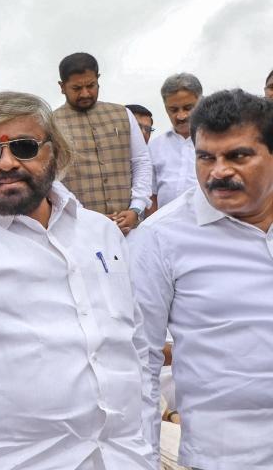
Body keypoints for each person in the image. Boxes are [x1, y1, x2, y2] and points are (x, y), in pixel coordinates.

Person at [0, 92, 153, 470]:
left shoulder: (101, 233)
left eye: (24, 147)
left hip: (124, 456)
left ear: (55, 152)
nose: (6, 163)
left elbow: (135, 346)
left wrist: (147, 450)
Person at [130, 89, 273, 468]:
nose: (219, 171)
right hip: (226, 458)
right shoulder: (160, 238)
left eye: (238, 156)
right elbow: (139, 363)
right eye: (205, 157)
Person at [53, 52, 152, 232]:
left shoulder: (123, 114)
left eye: (91, 85)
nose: (85, 93)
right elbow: (50, 179)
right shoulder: (50, 124)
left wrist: (136, 209)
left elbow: (141, 161)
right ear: (62, 87)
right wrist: (85, 216)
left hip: (130, 226)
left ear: (98, 79)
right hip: (79, 231)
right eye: (76, 88)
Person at [147, 73, 203, 209]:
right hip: (164, 225)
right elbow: (151, 195)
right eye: (173, 110)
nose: (181, 116)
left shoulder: (217, 143)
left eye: (188, 108)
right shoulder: (155, 146)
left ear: (201, 103)